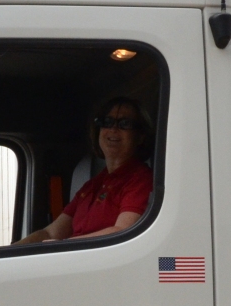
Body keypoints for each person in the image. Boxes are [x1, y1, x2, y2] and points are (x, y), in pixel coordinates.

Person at [16, 97, 155, 244]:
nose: (113, 129)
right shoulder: (92, 185)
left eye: (125, 124)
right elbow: (50, 233)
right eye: (107, 122)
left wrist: (62, 246)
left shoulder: (141, 180)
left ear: (140, 136)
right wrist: (13, 249)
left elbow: (123, 232)